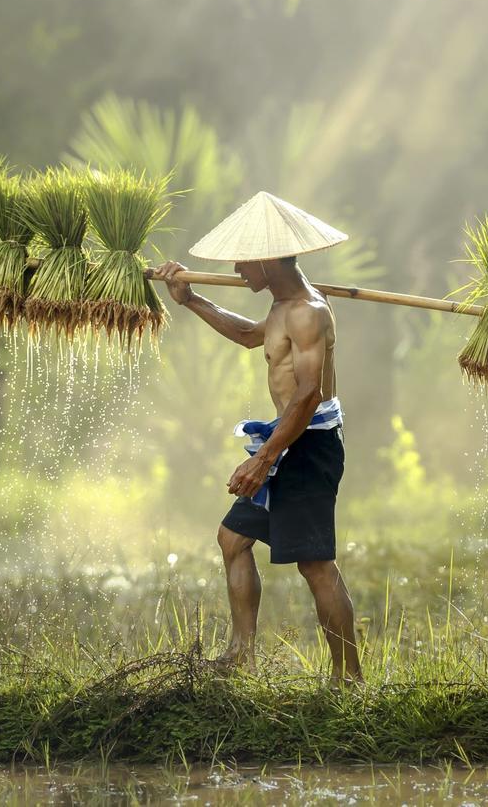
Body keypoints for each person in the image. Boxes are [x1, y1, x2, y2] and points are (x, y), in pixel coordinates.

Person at [154, 246, 363, 687]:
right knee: (233, 539)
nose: (235, 268)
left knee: (316, 564)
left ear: (269, 261)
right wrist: (191, 299)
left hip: (309, 444)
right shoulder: (284, 306)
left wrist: (262, 461)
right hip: (284, 439)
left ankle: (350, 679)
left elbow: (308, 396)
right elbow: (249, 334)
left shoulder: (309, 311)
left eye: (243, 260)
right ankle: (241, 656)